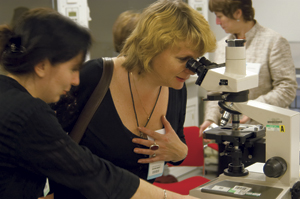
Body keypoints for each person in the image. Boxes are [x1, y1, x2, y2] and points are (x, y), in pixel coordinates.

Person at [0, 7, 199, 199]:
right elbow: (93, 174)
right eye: (72, 69)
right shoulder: (29, 114)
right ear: (42, 65)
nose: (76, 81)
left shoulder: (8, 96)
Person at [51, 0, 216, 198]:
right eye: (183, 59)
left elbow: (174, 146)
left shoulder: (175, 87)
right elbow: (44, 143)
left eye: (195, 60)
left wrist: (181, 152)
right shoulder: (94, 77)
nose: (191, 70)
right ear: (151, 47)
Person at [199, 0, 297, 174]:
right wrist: (211, 120)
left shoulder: (273, 42)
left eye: (220, 16)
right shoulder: (222, 46)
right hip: (231, 139)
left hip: (265, 137)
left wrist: (252, 108)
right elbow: (216, 90)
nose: (217, 22)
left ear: (238, 13)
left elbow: (287, 87)